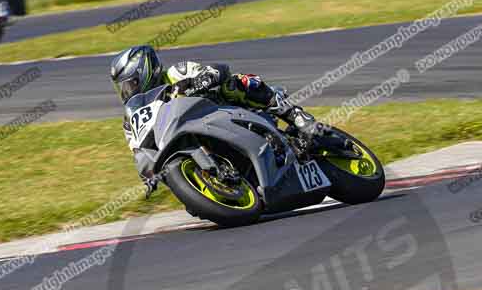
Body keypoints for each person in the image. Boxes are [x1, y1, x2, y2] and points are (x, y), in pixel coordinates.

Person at [109, 44, 331, 197]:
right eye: (124, 86)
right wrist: (148, 174)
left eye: (132, 83)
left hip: (221, 110)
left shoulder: (176, 72)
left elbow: (218, 70)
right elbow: (138, 151)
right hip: (185, 138)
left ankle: (294, 115)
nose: (128, 90)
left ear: (145, 70)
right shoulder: (132, 119)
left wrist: (202, 80)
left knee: (235, 83)